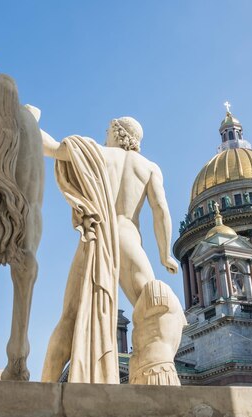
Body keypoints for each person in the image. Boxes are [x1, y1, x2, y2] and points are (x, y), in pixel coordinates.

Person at [39, 116, 178, 383]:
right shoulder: (148, 167)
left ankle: (43, 390)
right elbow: (160, 210)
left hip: (96, 236)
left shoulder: (95, 152)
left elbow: (52, 148)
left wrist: (24, 120)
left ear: (116, 132)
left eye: (107, 130)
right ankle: (158, 375)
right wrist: (164, 253)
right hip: (126, 237)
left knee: (68, 318)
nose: (104, 135)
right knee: (153, 307)